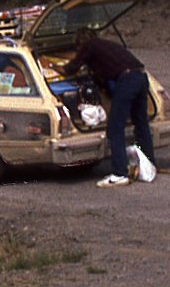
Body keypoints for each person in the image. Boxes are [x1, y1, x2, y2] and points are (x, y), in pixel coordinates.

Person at [65, 30, 154, 187]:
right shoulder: (107, 46)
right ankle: (149, 166)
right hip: (141, 77)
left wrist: (58, 68)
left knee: (114, 128)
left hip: (127, 81)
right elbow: (104, 77)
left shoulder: (90, 45)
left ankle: (120, 173)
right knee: (141, 123)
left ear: (81, 43)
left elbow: (71, 68)